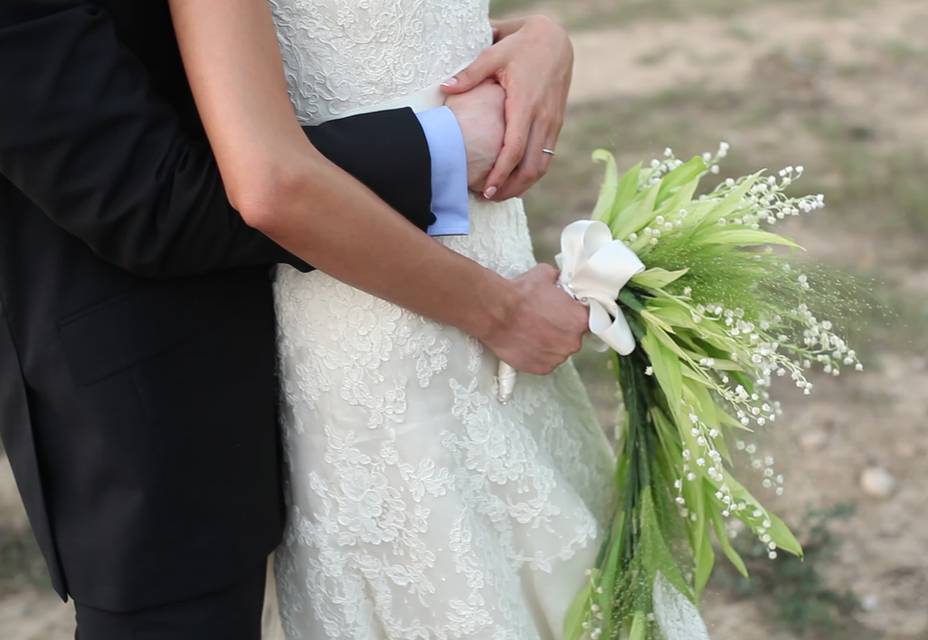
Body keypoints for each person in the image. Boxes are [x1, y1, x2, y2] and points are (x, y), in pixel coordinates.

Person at [0, 1, 587, 638]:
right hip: (159, 389)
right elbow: (148, 198)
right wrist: (442, 150)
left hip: (402, 326)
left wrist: (538, 37)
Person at [170, 1, 616, 638]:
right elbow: (267, 179)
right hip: (373, 315)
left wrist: (542, 36)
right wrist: (501, 313)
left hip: (500, 265)